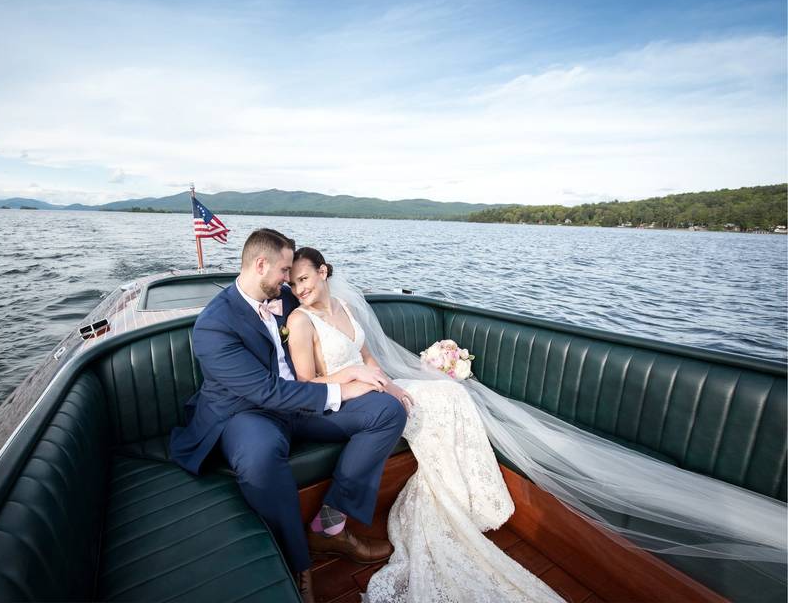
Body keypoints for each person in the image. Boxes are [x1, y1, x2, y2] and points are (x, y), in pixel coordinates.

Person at [288, 247, 565, 602]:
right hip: (339, 400)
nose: (299, 289)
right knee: (404, 409)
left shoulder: (347, 307)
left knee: (450, 396)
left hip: (373, 386)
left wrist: (393, 386)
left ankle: (462, 498)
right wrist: (354, 375)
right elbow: (305, 384)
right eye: (293, 283)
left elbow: (370, 359)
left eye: (304, 279)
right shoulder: (300, 321)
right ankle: (333, 525)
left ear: (323, 272)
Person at [169, 229, 408, 603]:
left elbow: (319, 329)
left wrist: (365, 374)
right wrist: (343, 386)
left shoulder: (281, 295)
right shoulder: (214, 324)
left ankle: (330, 527)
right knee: (261, 458)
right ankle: (298, 564)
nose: (290, 282)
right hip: (247, 413)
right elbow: (266, 392)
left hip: (300, 402)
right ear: (261, 264)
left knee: (387, 411)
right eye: (284, 270)